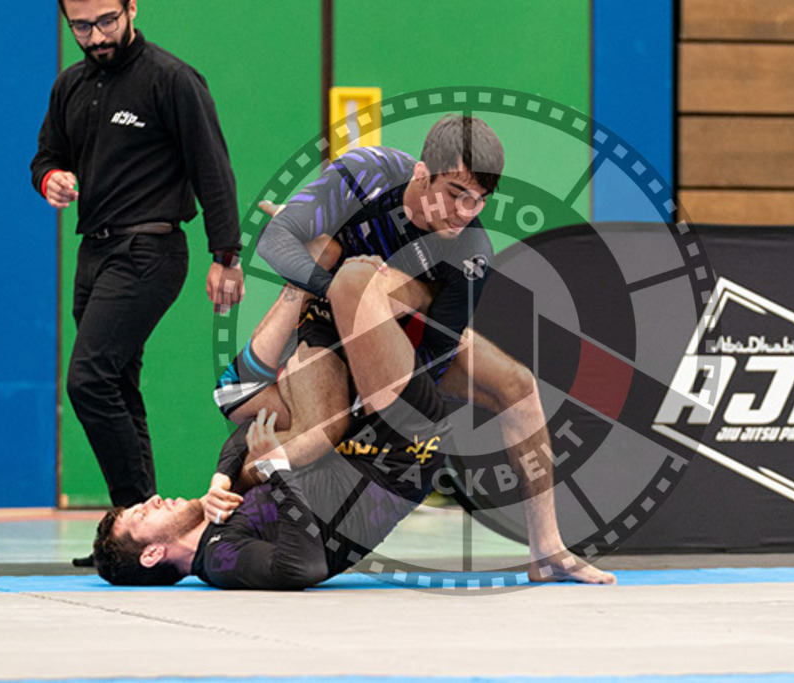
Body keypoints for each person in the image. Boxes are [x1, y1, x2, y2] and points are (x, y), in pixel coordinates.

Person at [209, 116, 614, 583]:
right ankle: (227, 490)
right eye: (457, 192)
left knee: (518, 385)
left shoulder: (471, 252)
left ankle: (547, 549)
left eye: (479, 199)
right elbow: (276, 240)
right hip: (326, 327)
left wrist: (399, 298)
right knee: (346, 285)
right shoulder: (366, 175)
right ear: (422, 174)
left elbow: (432, 365)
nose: (466, 211)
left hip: (402, 338)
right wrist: (335, 288)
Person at [30, 0, 245, 562]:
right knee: (117, 383)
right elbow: (46, 154)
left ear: (131, 9)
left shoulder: (170, 79)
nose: (96, 35)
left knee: (89, 379)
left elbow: (212, 167)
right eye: (80, 26)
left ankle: (130, 518)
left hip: (150, 247)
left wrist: (226, 253)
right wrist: (50, 178)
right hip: (95, 251)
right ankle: (143, 528)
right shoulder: (70, 85)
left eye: (106, 20)